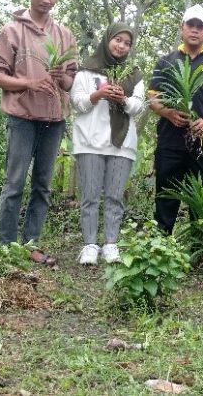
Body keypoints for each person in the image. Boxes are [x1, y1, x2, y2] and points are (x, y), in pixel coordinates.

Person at [0, 0, 77, 263]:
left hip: (54, 119)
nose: (48, 0)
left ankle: (30, 245)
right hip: (22, 117)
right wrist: (29, 82)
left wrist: (60, 76)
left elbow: (71, 83)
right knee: (14, 182)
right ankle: (4, 247)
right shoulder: (11, 31)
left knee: (43, 184)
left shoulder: (65, 35)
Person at [147, 4, 203, 234]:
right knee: (166, 193)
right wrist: (168, 113)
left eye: (200, 26)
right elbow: (153, 99)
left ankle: (199, 247)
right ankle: (160, 245)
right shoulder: (166, 61)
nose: (194, 30)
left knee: (200, 195)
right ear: (182, 28)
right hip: (170, 141)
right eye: (190, 25)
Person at [70, 22, 145, 265]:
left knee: (114, 196)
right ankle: (90, 244)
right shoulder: (87, 71)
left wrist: (123, 99)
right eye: (118, 40)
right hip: (89, 141)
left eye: (127, 43)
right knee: (90, 196)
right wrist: (98, 94)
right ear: (107, 39)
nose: (121, 46)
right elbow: (77, 102)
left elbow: (139, 106)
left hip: (121, 144)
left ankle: (111, 244)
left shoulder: (133, 74)